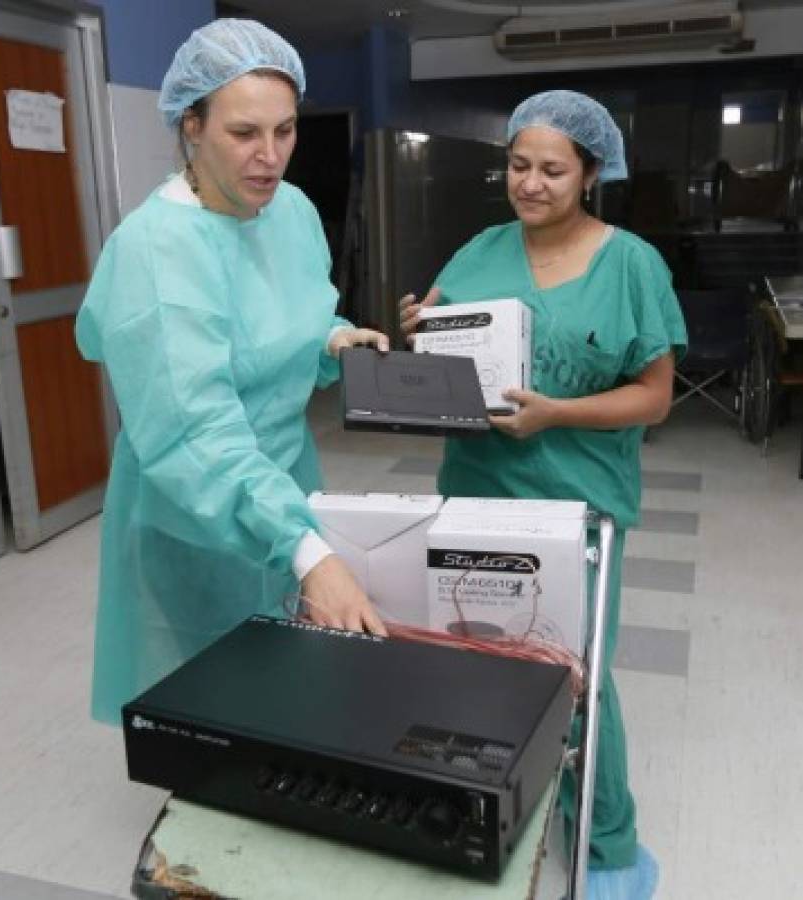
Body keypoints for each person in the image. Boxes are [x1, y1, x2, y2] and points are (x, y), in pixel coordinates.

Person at [400, 90, 687, 899]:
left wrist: (558, 413)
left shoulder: (628, 262)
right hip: (475, 486)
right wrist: (422, 330)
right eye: (518, 165)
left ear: (591, 172)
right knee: (478, 657)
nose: (529, 183)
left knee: (578, 673)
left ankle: (605, 844)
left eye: (552, 169)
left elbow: (655, 396)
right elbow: (447, 360)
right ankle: (496, 802)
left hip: (577, 499)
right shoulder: (477, 250)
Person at [76, 19, 388, 727]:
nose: (269, 157)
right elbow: (195, 432)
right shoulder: (157, 253)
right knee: (219, 702)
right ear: (191, 124)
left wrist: (334, 340)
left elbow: (295, 311)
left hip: (285, 479)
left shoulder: (289, 210)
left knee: (292, 674)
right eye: (244, 133)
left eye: (284, 131)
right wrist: (307, 551)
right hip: (195, 501)